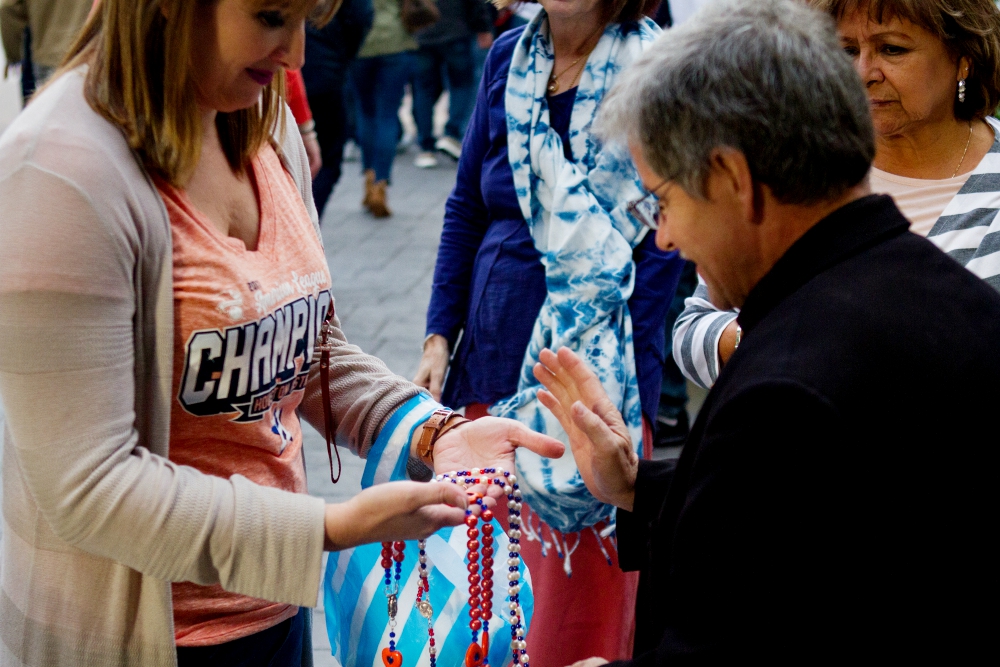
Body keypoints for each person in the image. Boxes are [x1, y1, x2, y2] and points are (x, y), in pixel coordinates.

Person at [0, 1, 564, 665]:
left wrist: (428, 427)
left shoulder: (263, 124)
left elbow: (308, 345)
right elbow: (87, 485)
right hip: (136, 635)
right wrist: (328, 527)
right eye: (271, 16)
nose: (296, 55)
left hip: (270, 611)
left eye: (307, 22)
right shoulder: (57, 171)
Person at [533, 0, 999, 661]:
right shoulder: (930, 287)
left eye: (663, 201)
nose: (663, 235)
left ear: (733, 180)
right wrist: (635, 485)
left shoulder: (784, 386)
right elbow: (822, 513)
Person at [414, 1, 685, 664]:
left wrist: (609, 379)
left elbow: (662, 250)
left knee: (571, 625)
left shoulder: (658, 73)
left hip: (592, 392)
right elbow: (466, 206)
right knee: (482, 610)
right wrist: (438, 335)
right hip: (487, 374)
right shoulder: (507, 56)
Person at [673, 0, 1000, 389]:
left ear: (963, 58)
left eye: (892, 49)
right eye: (846, 51)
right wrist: (778, 340)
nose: (863, 72)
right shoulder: (798, 167)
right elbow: (693, 330)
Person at [302, 0, 373, 215]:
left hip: (310, 73)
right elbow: (361, 17)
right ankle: (307, 221)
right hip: (325, 72)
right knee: (326, 159)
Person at [351, 0, 418, 218]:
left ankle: (369, 181)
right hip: (394, 42)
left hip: (360, 44)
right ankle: (381, 184)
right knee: (388, 116)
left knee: (366, 113)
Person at [411, 0, 493, 169]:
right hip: (456, 29)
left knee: (423, 90)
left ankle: (426, 146)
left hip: (422, 30)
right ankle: (452, 134)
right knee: (461, 85)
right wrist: (483, 27)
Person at [0, 0, 91, 96]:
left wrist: (15, 56)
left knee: (48, 105)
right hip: (88, 56)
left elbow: (8, 8)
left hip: (47, 56)